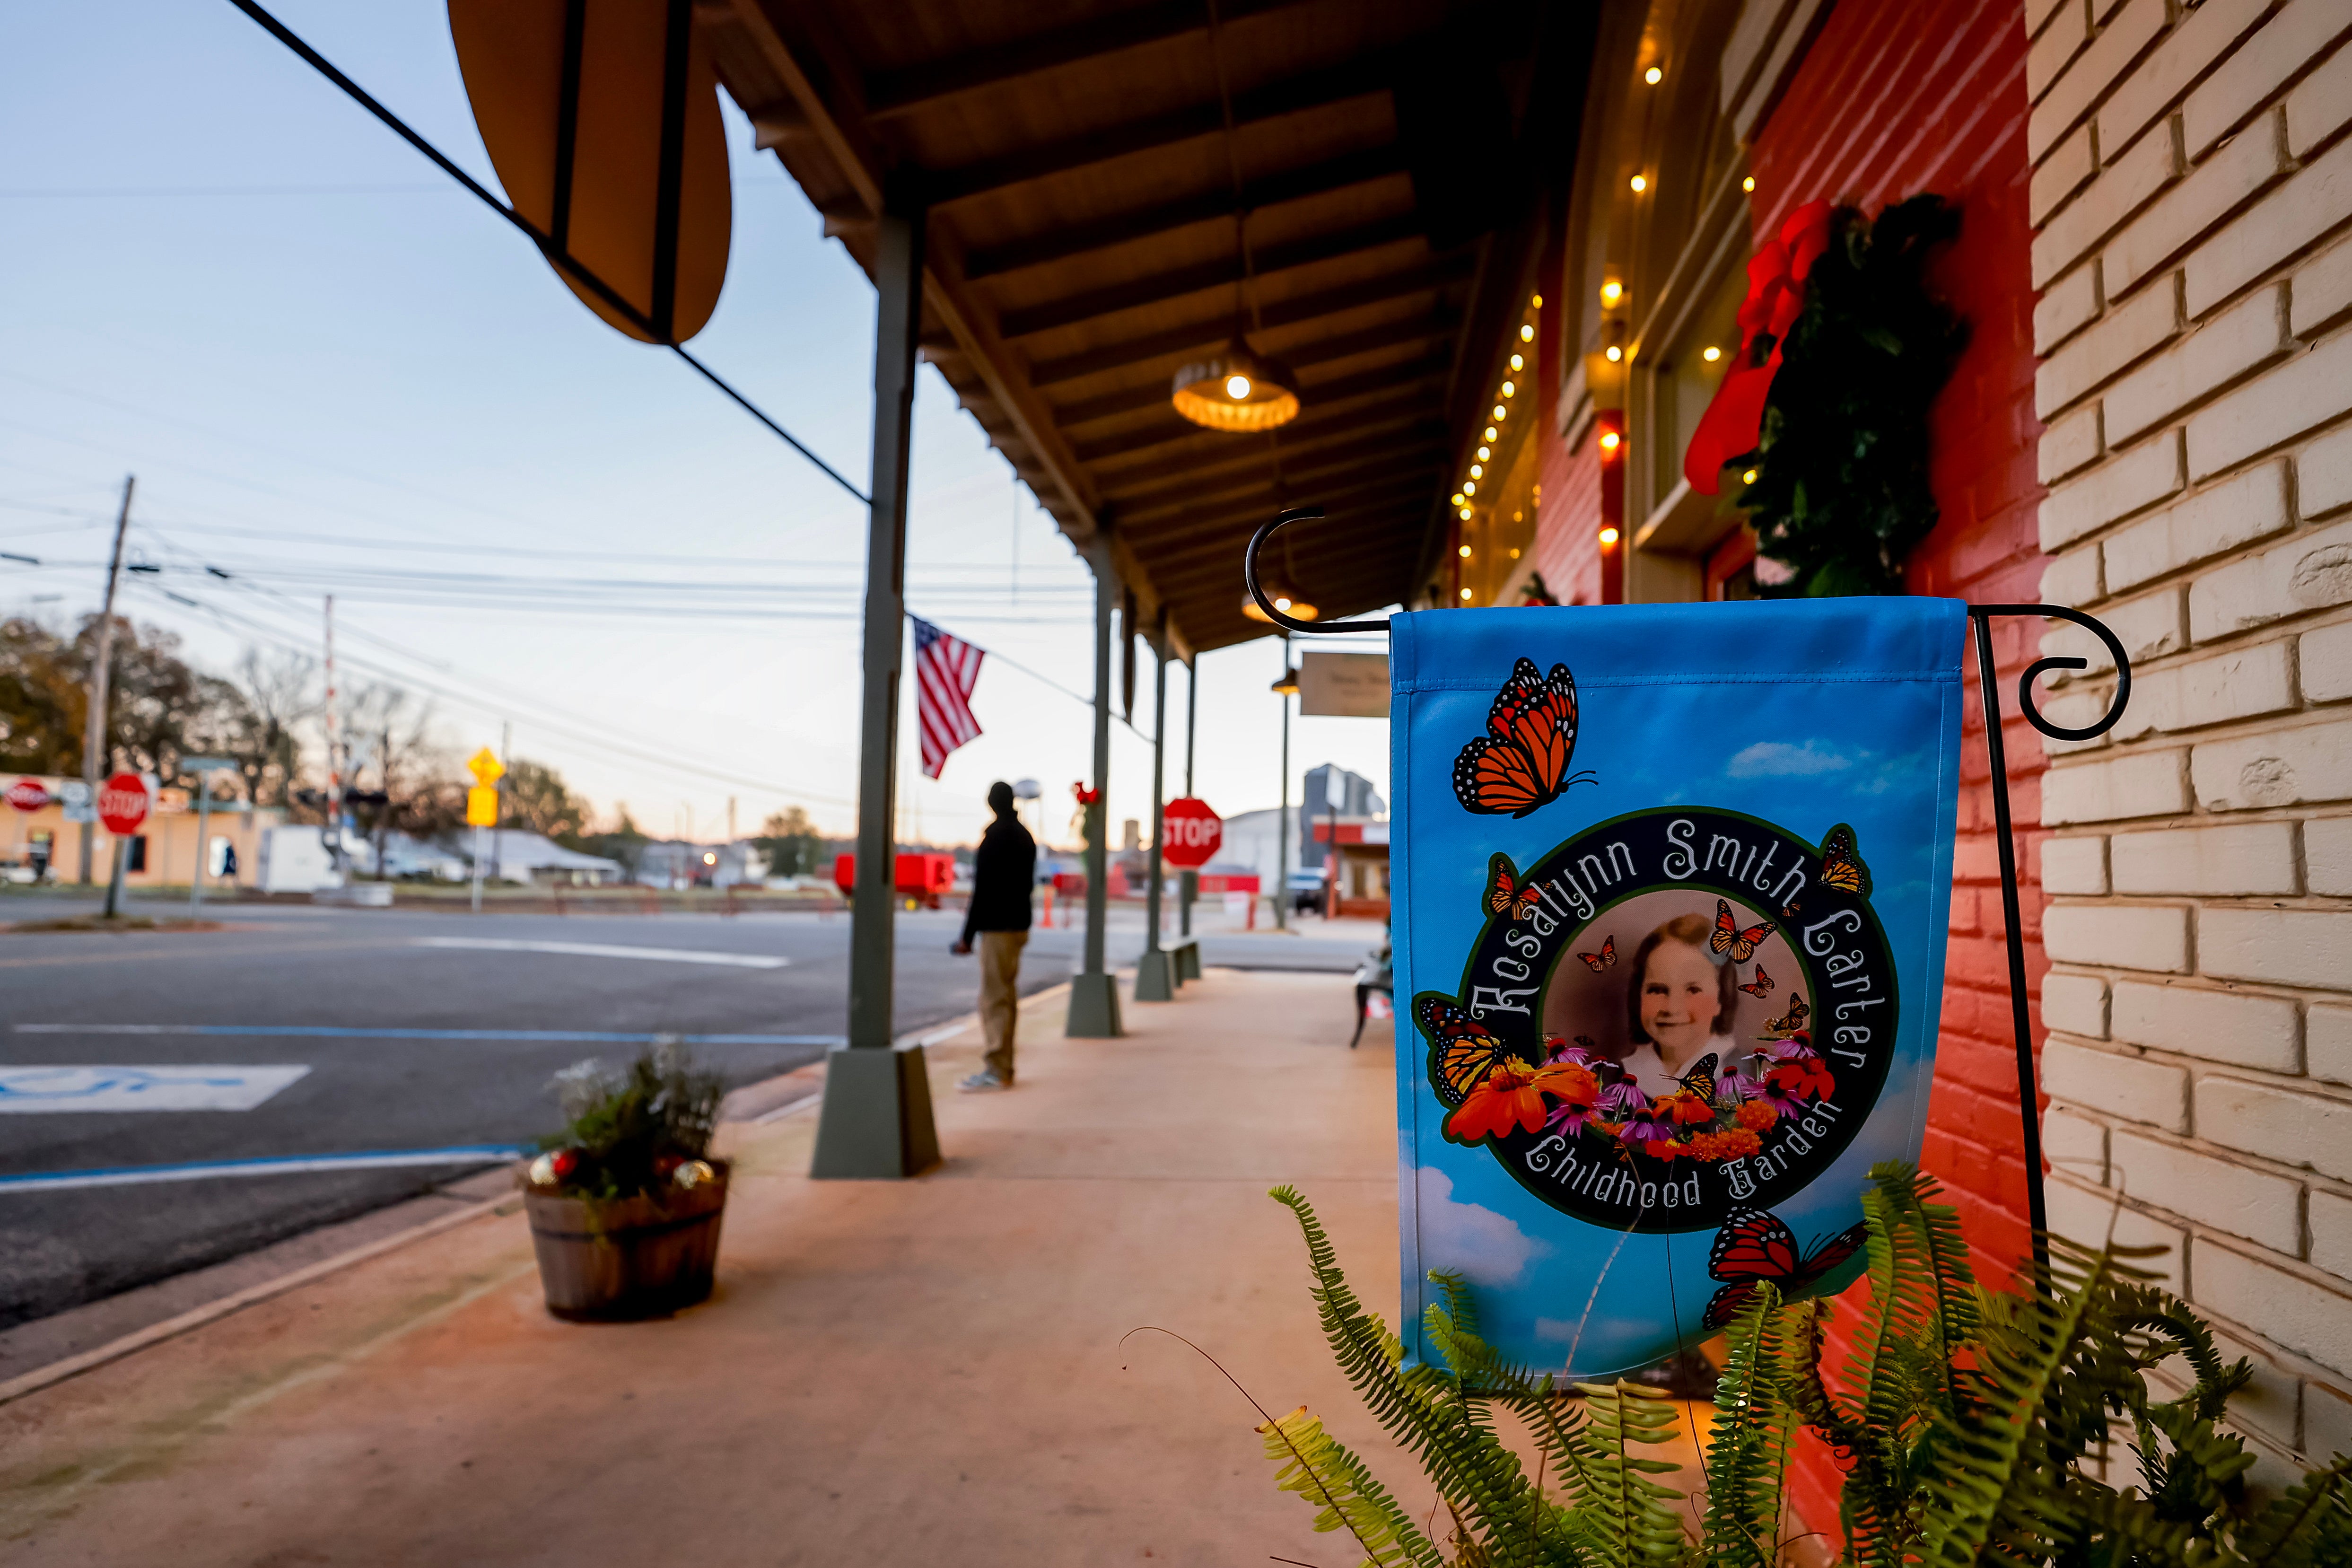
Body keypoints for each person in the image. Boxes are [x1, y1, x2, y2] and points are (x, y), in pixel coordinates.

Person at [952, 780, 1036, 1092]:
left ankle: (997, 1068)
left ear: (991, 803)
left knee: (994, 999)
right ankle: (1004, 1065)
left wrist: (967, 936)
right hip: (1018, 926)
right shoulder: (1025, 836)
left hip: (998, 928)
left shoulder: (994, 838)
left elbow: (983, 891)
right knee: (1006, 997)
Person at [1617, 912, 1744, 1096]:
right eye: (1657, 990)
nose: (1672, 1008)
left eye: (1693, 990)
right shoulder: (1613, 1080)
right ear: (1639, 996)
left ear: (1721, 999)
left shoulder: (1747, 1076)